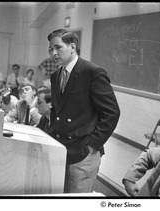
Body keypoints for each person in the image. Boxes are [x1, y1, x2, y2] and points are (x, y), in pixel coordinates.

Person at [47, 29, 120, 193]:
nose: (54, 53)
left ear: (72, 46)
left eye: (58, 48)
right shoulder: (55, 76)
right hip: (60, 149)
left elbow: (112, 113)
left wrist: (92, 145)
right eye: (51, 49)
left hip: (83, 152)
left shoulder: (92, 72)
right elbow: (56, 110)